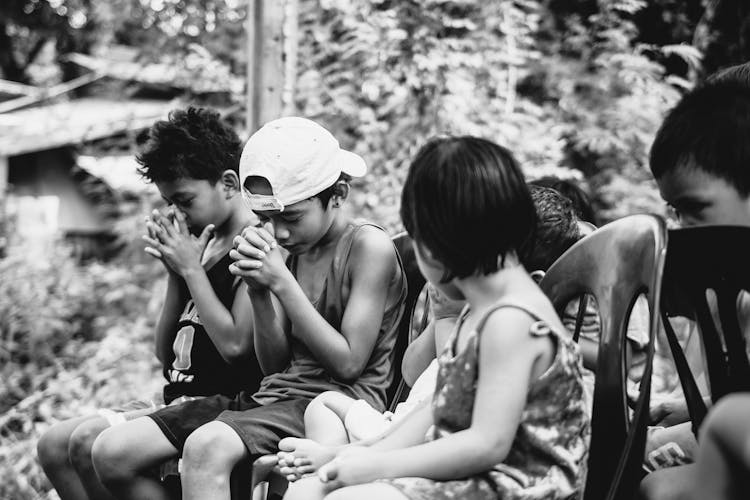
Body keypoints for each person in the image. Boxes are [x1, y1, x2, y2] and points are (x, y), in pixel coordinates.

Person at [90, 116, 407, 500]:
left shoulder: (367, 247)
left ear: (337, 195)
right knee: (113, 452)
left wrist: (281, 283)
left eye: (291, 217)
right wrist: (259, 293)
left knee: (206, 447)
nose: (281, 232)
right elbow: (273, 367)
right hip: (271, 398)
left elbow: (348, 364)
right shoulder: (290, 251)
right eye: (268, 219)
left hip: (334, 404)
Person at [281, 136, 590, 500]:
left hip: (520, 487)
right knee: (311, 488)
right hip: (474, 480)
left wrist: (377, 467)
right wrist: (353, 455)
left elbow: (486, 444)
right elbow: (434, 410)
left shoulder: (513, 319)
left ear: (434, 247)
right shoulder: (481, 310)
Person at [36, 107, 262, 500]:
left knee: (91, 442)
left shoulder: (252, 246)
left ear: (228, 183)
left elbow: (238, 349)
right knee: (54, 445)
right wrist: (178, 274)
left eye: (185, 199)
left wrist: (192, 271)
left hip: (225, 403)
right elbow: (165, 355)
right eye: (169, 202)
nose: (177, 212)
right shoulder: (201, 248)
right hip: (179, 398)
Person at [296, 184, 587, 451]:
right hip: (401, 428)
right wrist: (442, 317)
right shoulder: (468, 307)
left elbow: (456, 412)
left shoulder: (515, 336)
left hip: (434, 444)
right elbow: (410, 373)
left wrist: (344, 457)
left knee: (325, 471)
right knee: (324, 405)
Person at [638, 80, 750, 500]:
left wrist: (721, 422)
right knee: (655, 484)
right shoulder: (733, 294)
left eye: (695, 210)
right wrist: (694, 408)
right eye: (675, 212)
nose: (682, 229)